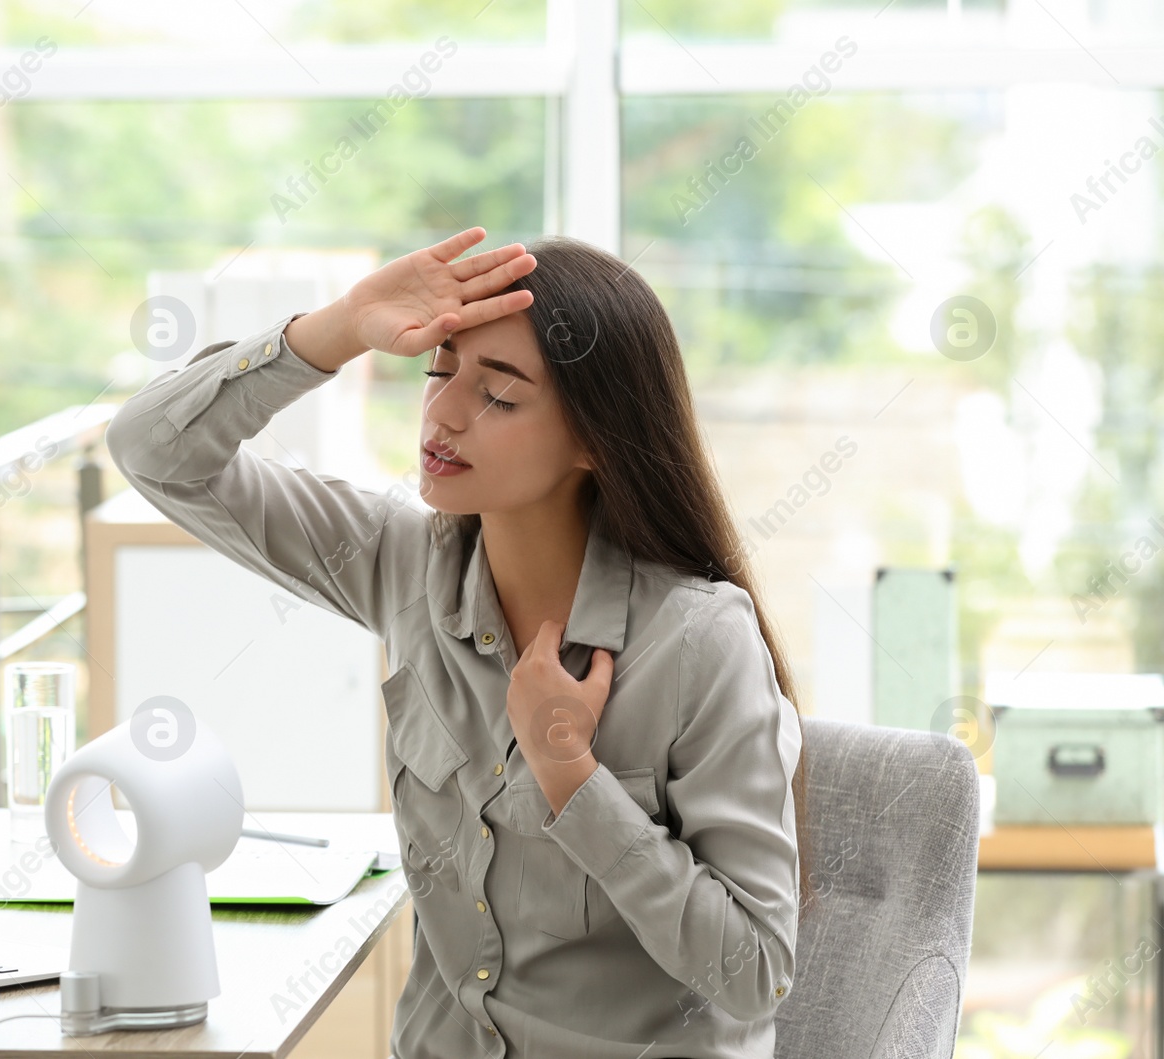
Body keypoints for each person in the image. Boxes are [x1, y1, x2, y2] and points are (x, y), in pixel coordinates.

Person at [105, 227, 808, 1059]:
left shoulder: (698, 641)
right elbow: (155, 454)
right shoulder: (403, 563)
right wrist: (338, 327)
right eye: (439, 375)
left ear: (595, 439)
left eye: (499, 396)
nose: (441, 413)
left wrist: (572, 780)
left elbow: (755, 969)